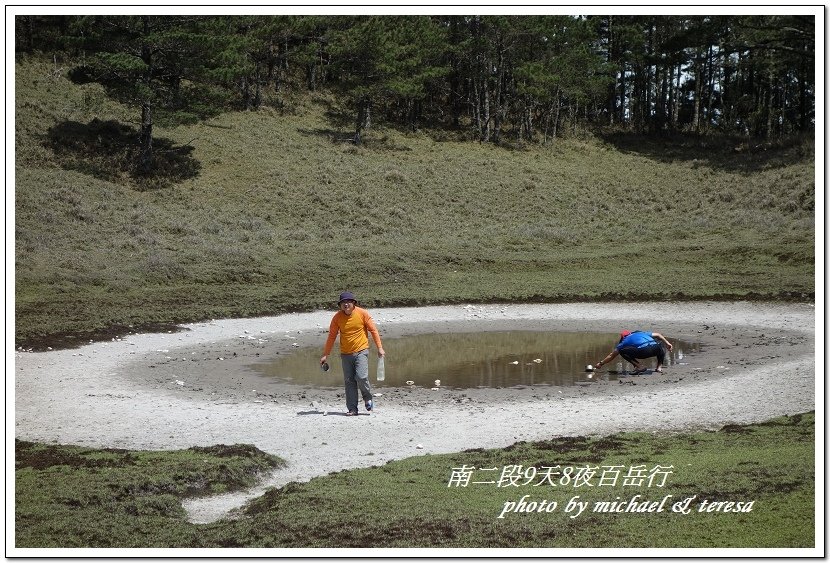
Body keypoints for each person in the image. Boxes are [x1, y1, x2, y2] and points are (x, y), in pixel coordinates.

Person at [320, 291, 385, 416]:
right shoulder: (337, 317)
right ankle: (352, 409)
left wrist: (380, 348)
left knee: (361, 377)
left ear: (353, 303)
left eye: (348, 302)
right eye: (343, 302)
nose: (346, 304)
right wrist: (325, 354)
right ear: (340, 305)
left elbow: (373, 330)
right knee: (349, 381)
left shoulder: (362, 313)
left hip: (361, 350)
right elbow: (332, 336)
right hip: (345, 354)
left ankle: (367, 398)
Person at [594, 330, 673, 375]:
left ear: (622, 337)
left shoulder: (624, 341)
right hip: (656, 349)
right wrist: (667, 343)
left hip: (644, 351)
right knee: (660, 344)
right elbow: (658, 335)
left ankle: (639, 366)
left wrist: (601, 363)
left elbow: (612, 355)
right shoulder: (640, 333)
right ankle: (659, 367)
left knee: (622, 351)